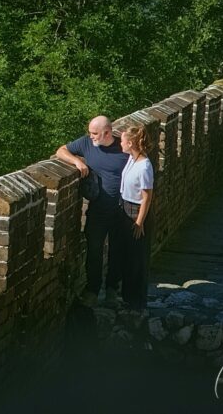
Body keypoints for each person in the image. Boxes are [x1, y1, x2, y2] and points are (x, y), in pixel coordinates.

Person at [55, 115, 128, 306]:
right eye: (90, 133)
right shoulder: (87, 144)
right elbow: (61, 151)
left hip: (121, 211)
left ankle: (113, 289)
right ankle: (93, 290)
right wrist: (77, 162)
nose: (92, 136)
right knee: (94, 250)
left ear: (107, 132)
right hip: (97, 211)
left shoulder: (124, 148)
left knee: (118, 251)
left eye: (95, 133)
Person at [119, 122, 155, 310]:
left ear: (131, 143)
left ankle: (137, 301)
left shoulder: (144, 167)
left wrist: (139, 222)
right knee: (127, 255)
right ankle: (127, 297)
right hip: (125, 208)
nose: (120, 144)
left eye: (123, 141)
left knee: (137, 258)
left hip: (136, 212)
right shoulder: (132, 159)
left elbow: (147, 197)